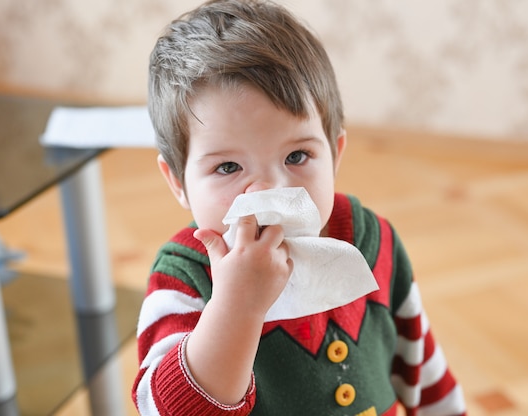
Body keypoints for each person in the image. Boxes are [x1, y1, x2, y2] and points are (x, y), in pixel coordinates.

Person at [132, 0, 467, 415]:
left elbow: (421, 363)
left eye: (296, 157)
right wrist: (236, 307)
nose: (270, 190)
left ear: (334, 154)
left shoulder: (372, 240)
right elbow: (162, 409)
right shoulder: (182, 280)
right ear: (178, 183)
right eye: (228, 166)